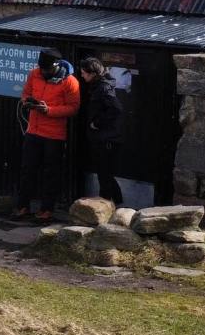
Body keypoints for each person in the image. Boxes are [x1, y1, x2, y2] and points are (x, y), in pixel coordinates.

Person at [13, 47, 80, 222]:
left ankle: (46, 209)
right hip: (33, 130)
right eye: (41, 69)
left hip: (54, 134)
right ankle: (22, 206)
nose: (43, 72)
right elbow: (26, 93)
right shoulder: (34, 74)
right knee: (27, 170)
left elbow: (73, 108)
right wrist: (26, 102)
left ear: (56, 66)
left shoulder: (70, 82)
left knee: (51, 173)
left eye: (46, 70)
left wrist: (48, 110)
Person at [79, 57, 124, 205]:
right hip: (101, 137)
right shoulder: (98, 86)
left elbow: (116, 109)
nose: (82, 76)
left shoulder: (103, 88)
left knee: (104, 174)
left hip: (106, 138)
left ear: (92, 74)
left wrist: (97, 123)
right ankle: (115, 202)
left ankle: (105, 204)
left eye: (84, 73)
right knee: (104, 173)